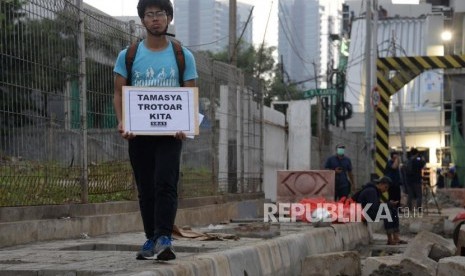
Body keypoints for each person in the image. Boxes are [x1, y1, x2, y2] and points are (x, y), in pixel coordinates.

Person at [113, 0, 198, 261]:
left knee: (165, 183)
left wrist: (186, 124)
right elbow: (118, 92)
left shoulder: (182, 54)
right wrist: (122, 122)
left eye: (160, 13)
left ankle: (164, 237)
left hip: (171, 135)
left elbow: (190, 92)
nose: (155, 19)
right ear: (142, 20)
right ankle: (150, 237)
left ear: (169, 18)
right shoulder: (128, 54)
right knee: (146, 187)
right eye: (149, 15)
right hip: (138, 134)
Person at [383, 152, 406, 245]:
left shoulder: (397, 164)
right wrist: (397, 159)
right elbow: (394, 167)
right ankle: (390, 238)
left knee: (394, 212)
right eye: (396, 156)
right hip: (393, 187)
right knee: (390, 211)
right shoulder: (390, 163)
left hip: (396, 186)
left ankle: (396, 237)